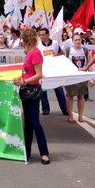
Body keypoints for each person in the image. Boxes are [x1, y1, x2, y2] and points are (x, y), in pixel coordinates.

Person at [13, 28, 50, 165]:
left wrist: (24, 81)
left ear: (27, 41)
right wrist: (20, 78)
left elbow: (39, 74)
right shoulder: (29, 53)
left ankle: (44, 153)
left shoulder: (35, 53)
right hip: (26, 89)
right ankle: (27, 152)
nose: (22, 43)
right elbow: (28, 73)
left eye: (23, 41)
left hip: (33, 90)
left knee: (34, 122)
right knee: (27, 123)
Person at [37, 27, 68, 116]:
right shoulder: (38, 44)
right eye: (40, 35)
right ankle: (45, 108)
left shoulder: (55, 43)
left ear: (48, 35)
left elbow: (61, 53)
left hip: (54, 70)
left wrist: (56, 54)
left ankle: (65, 109)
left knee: (59, 89)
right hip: (44, 69)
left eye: (43, 35)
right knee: (43, 90)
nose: (41, 36)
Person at [65, 34, 89, 123]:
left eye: (79, 39)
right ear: (72, 41)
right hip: (71, 77)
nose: (78, 41)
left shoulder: (85, 50)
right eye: (76, 40)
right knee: (70, 96)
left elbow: (89, 63)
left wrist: (90, 76)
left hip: (82, 77)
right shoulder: (68, 50)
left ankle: (80, 116)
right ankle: (70, 115)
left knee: (81, 96)